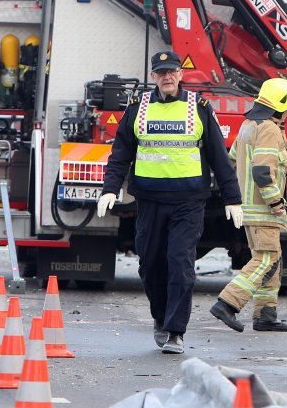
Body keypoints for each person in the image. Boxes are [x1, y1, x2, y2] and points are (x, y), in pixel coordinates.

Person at [97, 50, 242, 354]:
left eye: (171, 71)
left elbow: (219, 155)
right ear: (153, 77)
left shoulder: (199, 108)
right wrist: (109, 189)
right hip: (149, 202)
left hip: (189, 203)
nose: (167, 77)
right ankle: (160, 317)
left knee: (180, 264)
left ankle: (175, 331)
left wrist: (232, 198)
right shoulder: (138, 108)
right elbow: (121, 153)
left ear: (180, 74)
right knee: (150, 264)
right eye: (161, 72)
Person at [209, 78, 287, 334]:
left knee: (273, 260)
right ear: (278, 105)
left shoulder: (249, 125)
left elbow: (233, 158)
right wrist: (275, 201)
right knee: (266, 258)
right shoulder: (269, 129)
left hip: (250, 209)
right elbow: (262, 172)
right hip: (264, 210)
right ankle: (227, 303)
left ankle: (265, 315)